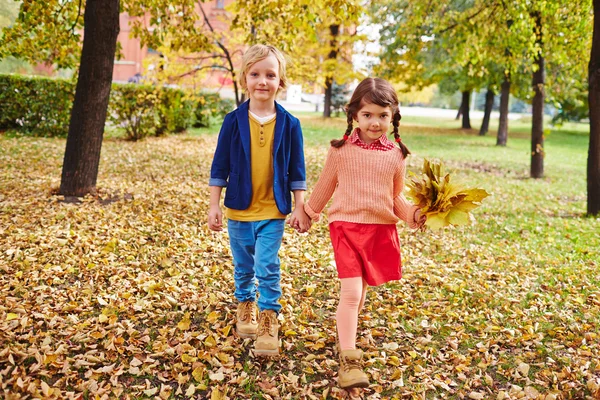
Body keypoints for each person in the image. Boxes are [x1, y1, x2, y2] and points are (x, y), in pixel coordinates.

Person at [304, 77, 426, 389]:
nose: (375, 122)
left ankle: (347, 333)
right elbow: (324, 187)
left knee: (360, 293)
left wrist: (413, 213)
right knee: (352, 292)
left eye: (383, 116)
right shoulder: (341, 151)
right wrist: (307, 212)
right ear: (355, 115)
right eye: (368, 115)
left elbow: (395, 197)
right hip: (345, 227)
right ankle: (349, 359)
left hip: (380, 231)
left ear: (393, 116)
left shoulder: (396, 155)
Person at [207, 44, 311, 356]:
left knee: (267, 264)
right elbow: (219, 166)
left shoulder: (290, 124)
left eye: (270, 74)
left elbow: (297, 170)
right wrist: (214, 205)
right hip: (239, 208)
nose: (262, 81)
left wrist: (300, 205)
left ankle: (269, 317)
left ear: (281, 81)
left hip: (273, 210)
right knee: (243, 265)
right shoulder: (233, 121)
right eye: (255, 74)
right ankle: (245, 304)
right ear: (245, 79)